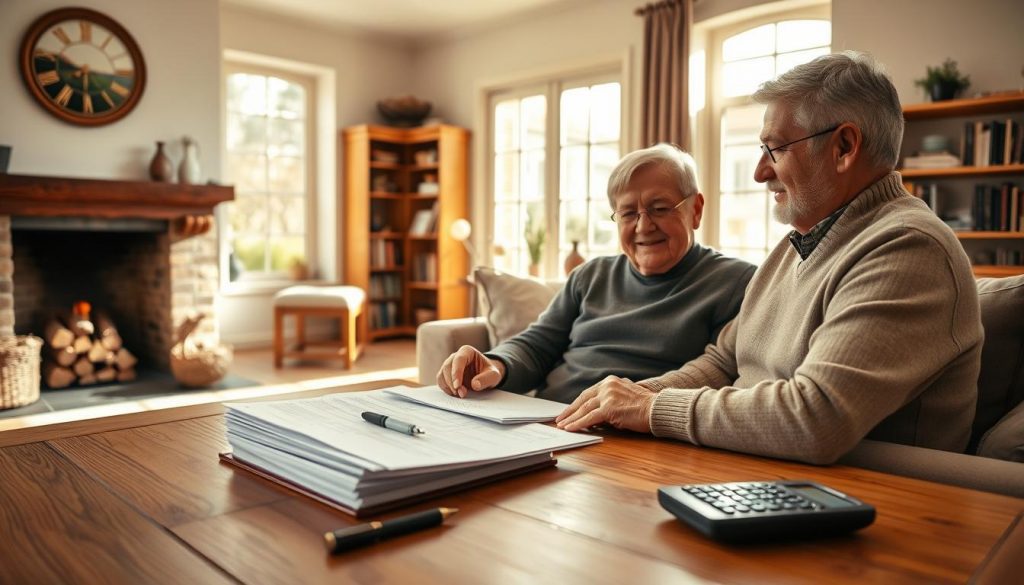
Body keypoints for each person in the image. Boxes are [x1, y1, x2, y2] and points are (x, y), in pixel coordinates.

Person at [556, 51, 983, 465]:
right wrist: (629, 398)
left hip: (874, 501)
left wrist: (651, 410)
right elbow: (725, 359)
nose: (760, 172)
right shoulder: (799, 243)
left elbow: (817, 418)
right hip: (759, 470)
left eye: (774, 149)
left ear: (844, 146)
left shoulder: (908, 247)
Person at [436, 144, 756, 403]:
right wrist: (496, 363)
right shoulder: (591, 276)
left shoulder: (736, 284)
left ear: (695, 209)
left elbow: (720, 374)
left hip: (637, 438)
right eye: (628, 213)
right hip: (549, 422)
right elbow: (537, 345)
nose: (644, 226)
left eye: (660, 208)